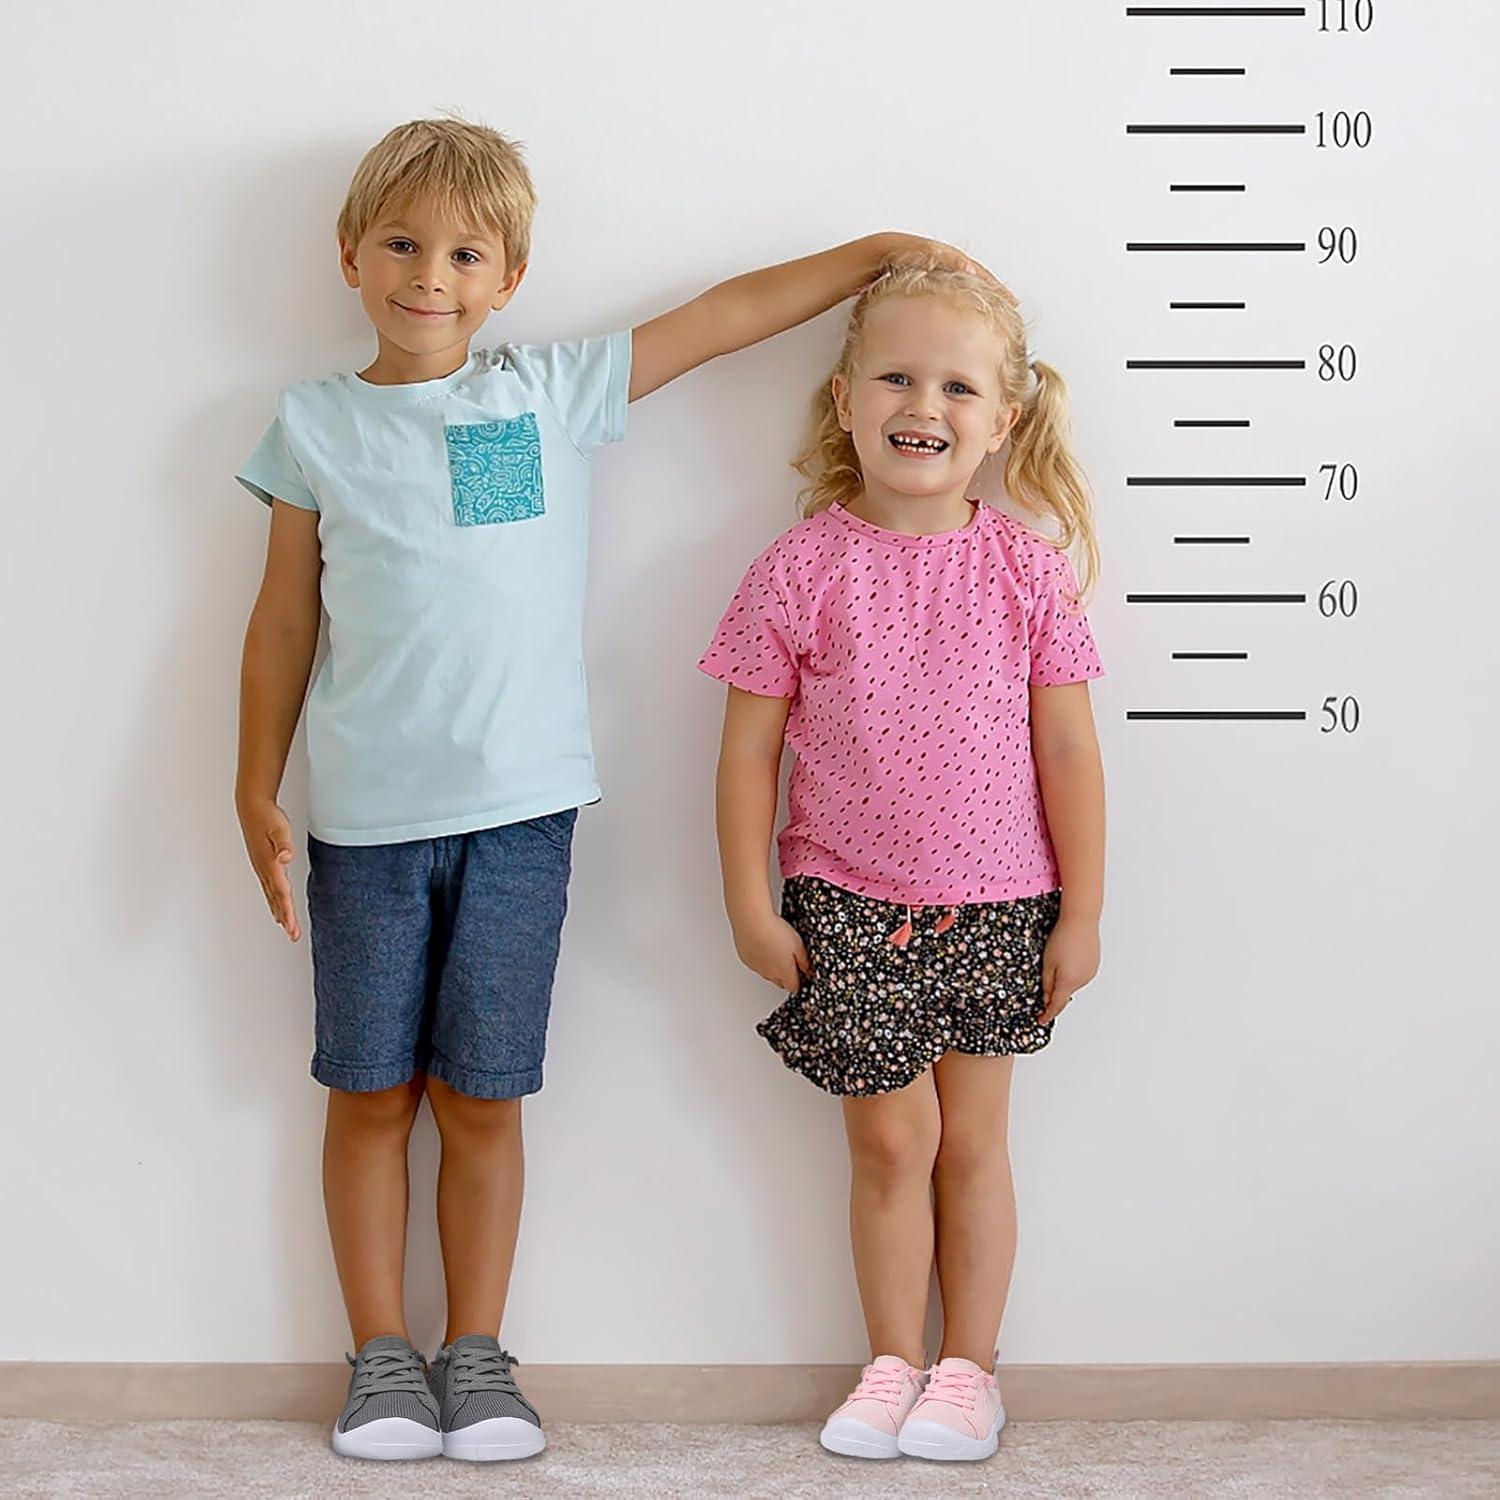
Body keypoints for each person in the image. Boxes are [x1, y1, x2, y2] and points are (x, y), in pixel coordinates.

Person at [234, 116, 970, 1462]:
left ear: (509, 277)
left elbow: (724, 317)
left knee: (484, 1096)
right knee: (369, 1094)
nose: (430, 275)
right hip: (363, 826)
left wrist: (870, 254)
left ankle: (475, 1355)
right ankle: (381, 1360)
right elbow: (283, 620)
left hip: (522, 820)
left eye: (466, 254)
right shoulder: (312, 424)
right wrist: (252, 781)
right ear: (350, 255)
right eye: (401, 244)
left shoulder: (546, 393)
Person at [699, 258, 1106, 1463]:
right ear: (845, 401)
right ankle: (890, 1363)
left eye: (957, 387)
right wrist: (748, 905)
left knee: (973, 1145)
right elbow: (746, 756)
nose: (923, 405)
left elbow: (1070, 752)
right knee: (887, 1145)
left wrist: (1083, 914)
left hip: (1004, 903)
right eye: (895, 378)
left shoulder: (1028, 569)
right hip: (845, 905)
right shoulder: (798, 567)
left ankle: (968, 1372)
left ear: (1002, 420)